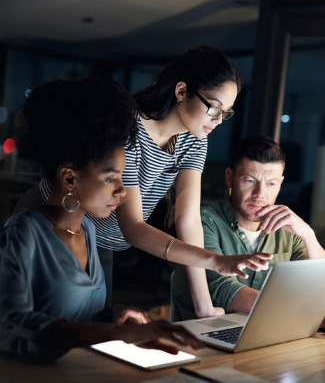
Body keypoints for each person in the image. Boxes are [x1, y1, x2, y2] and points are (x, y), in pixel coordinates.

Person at [13, 46, 272, 315]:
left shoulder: (195, 140)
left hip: (102, 238)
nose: (219, 120)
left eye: (226, 112)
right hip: (60, 218)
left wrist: (204, 306)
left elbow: (189, 220)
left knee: (94, 324)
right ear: (182, 91)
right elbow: (133, 226)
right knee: (42, 319)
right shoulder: (127, 127)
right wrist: (215, 261)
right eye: (214, 108)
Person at [0, 78, 204, 363]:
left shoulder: (87, 230)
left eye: (121, 177)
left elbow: (72, 314)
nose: (122, 191)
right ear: (69, 177)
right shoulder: (22, 233)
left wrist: (113, 317)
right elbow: (10, 327)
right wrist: (115, 334)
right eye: (110, 179)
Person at [172, 135, 325, 322]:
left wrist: (308, 234)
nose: (260, 194)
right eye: (250, 180)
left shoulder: (288, 230)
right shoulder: (202, 223)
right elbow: (222, 289)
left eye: (271, 183)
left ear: (280, 184)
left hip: (267, 336)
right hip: (202, 341)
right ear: (230, 177)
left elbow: (318, 283)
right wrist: (299, 310)